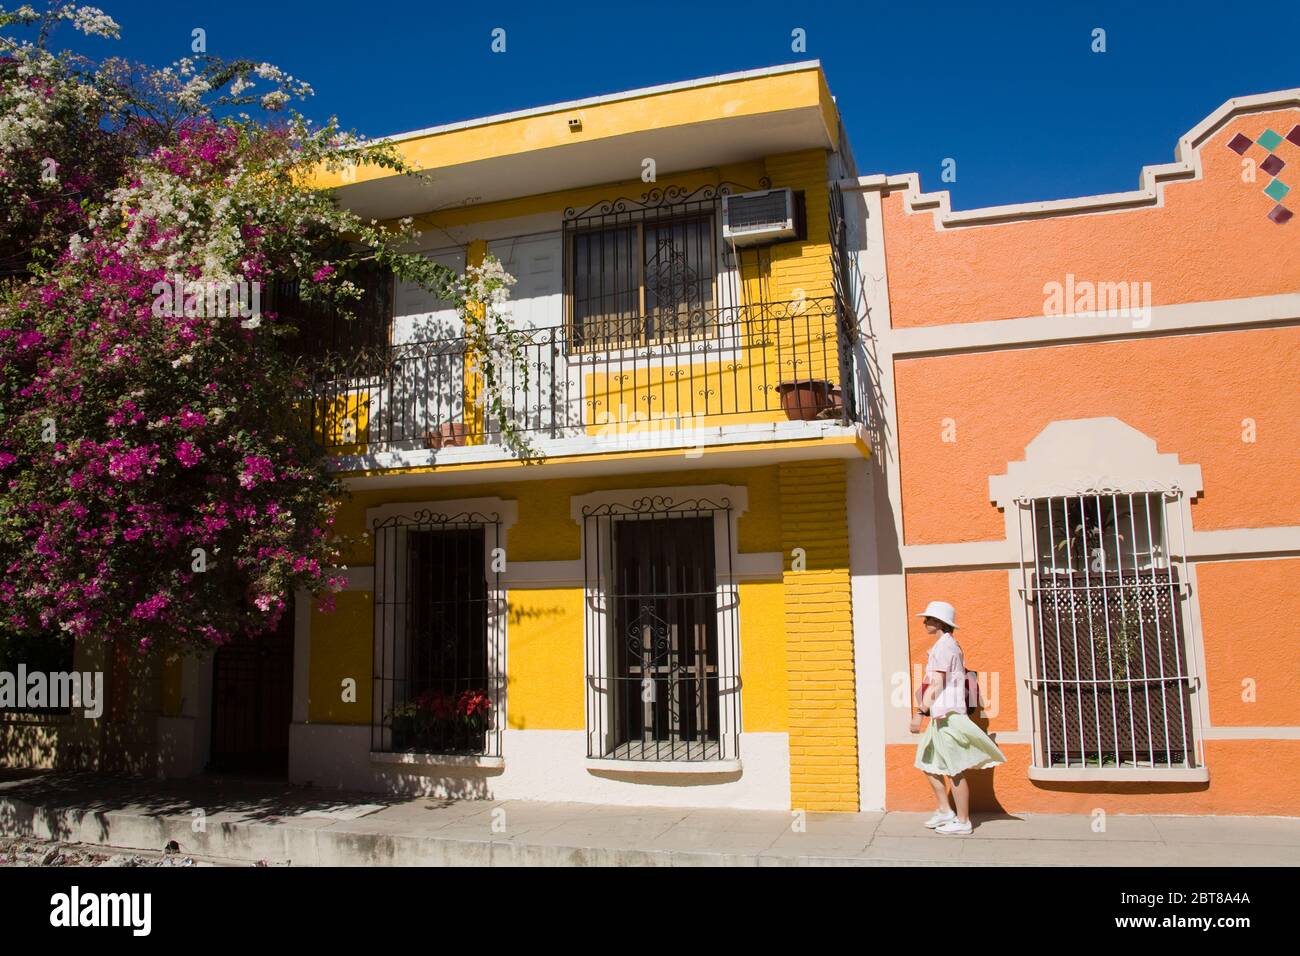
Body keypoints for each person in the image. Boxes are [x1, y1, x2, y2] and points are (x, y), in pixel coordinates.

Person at [909, 600, 1005, 835]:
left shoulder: (945, 647)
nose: (925, 622)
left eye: (929, 619)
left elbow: (938, 682)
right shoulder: (946, 645)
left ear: (939, 623)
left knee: (954, 769)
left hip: (949, 716)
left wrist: (919, 713)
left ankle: (963, 822)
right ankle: (945, 810)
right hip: (941, 717)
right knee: (927, 762)